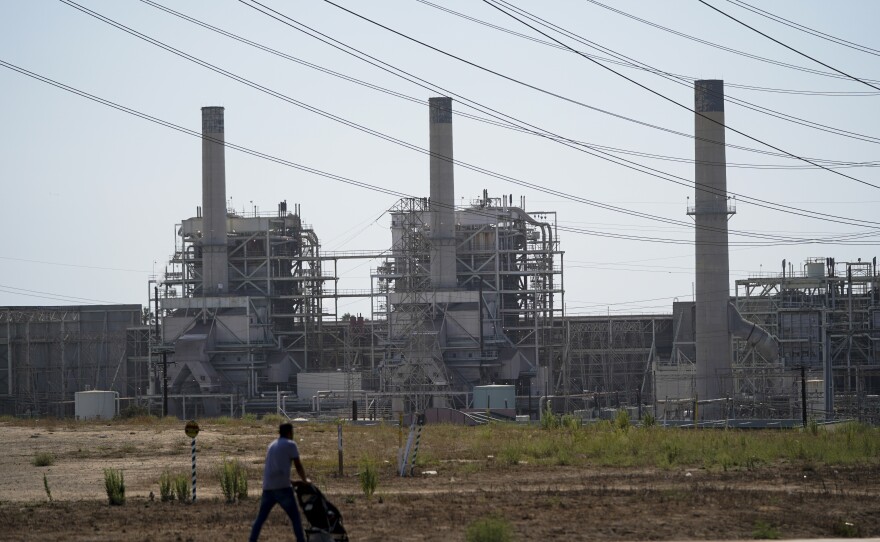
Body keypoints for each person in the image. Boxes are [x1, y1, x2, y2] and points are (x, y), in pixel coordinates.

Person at [249, 422, 310, 542]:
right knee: (295, 519)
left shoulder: (272, 446)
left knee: (260, 519)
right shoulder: (290, 444)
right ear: (289, 433)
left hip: (268, 487)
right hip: (283, 489)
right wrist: (305, 480)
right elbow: (298, 466)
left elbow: (275, 470)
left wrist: (293, 482)